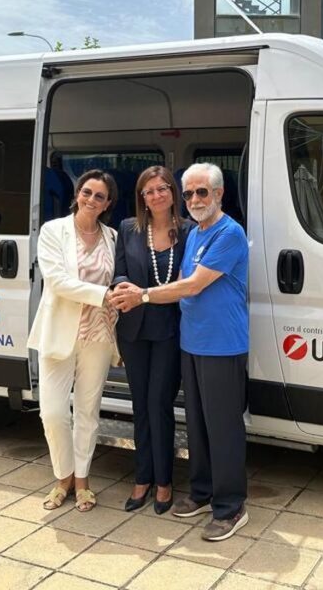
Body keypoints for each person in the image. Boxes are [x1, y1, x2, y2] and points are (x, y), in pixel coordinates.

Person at [112, 162, 249, 541]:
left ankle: (231, 506)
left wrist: (142, 295)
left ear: (219, 194)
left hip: (222, 344)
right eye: (189, 193)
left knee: (223, 428)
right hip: (192, 342)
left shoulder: (229, 232)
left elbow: (191, 285)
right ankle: (202, 493)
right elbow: (176, 280)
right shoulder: (199, 233)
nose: (195, 199)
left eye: (202, 192)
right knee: (199, 424)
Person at [29, 169, 120, 513]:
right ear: (77, 194)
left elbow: (120, 278)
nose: (91, 199)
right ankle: (62, 476)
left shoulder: (113, 237)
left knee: (87, 412)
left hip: (99, 334)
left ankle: (81, 481)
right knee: (52, 412)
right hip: (59, 332)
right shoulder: (53, 231)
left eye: (100, 196)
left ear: (108, 203)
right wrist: (104, 295)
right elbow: (57, 281)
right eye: (87, 192)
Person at [113, 166, 194, 514]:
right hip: (133, 330)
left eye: (162, 188)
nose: (156, 195)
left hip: (169, 332)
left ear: (173, 193)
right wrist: (122, 286)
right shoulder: (128, 229)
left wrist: (147, 294)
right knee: (140, 405)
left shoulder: (189, 231)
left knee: (159, 404)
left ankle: (164, 481)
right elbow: (119, 270)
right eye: (149, 191)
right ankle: (142, 477)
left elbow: (189, 281)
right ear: (142, 197)